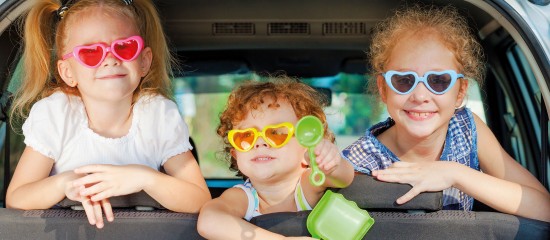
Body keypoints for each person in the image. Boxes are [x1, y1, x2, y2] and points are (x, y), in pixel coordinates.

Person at [6, 0, 211, 229]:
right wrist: (64, 184)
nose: (111, 59)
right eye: (91, 52)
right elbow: (17, 198)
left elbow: (200, 199)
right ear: (67, 72)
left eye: (124, 47)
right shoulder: (56, 114)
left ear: (144, 61)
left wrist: (144, 177)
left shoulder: (158, 115)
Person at [342, 5, 550, 222]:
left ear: (460, 92)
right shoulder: (359, 162)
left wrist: (454, 173)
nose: (420, 96)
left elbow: (544, 208)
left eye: (438, 81)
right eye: (403, 81)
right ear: (384, 89)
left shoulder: (466, 130)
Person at [197, 79, 355, 239]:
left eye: (277, 133)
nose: (260, 142)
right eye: (246, 136)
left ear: (306, 148)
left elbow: (344, 178)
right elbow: (209, 221)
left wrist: (331, 162)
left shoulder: (306, 185)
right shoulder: (245, 197)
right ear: (236, 155)